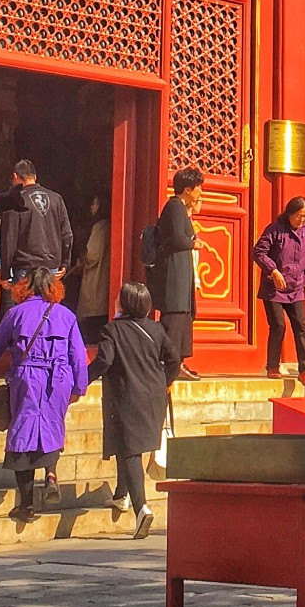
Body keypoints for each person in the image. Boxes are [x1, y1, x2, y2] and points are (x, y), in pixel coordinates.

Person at [0, 267, 89, 522]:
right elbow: (78, 355)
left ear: (25, 287)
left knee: (22, 434)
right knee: (53, 427)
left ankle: (27, 506)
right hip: (59, 379)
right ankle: (51, 475)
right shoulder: (66, 316)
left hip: (27, 378)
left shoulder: (15, 314)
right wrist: (79, 387)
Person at [90, 281, 176, 539]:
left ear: (125, 303)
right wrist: (166, 382)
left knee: (130, 451)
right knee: (128, 443)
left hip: (127, 396)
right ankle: (120, 494)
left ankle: (141, 508)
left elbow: (103, 361)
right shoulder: (157, 329)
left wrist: (80, 380)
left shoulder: (112, 330)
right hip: (153, 397)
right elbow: (173, 359)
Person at [253, 196, 305, 383]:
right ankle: (272, 365)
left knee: (302, 328)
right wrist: (272, 269)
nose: (302, 220)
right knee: (279, 326)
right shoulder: (274, 230)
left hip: (296, 288)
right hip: (275, 288)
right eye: (298, 216)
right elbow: (258, 252)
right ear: (289, 214)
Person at [151, 167, 202, 378]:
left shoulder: (181, 208)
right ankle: (170, 362)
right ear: (188, 190)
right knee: (174, 315)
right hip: (173, 272)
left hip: (182, 270)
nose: (200, 192)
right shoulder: (173, 207)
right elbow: (176, 238)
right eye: (198, 188)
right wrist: (194, 243)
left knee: (184, 314)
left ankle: (178, 361)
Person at [0, 160, 73, 284]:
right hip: (51, 266)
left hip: (25, 267)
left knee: (26, 302)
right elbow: (67, 234)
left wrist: (5, 273)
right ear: (35, 177)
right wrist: (65, 262)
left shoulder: (14, 201)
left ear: (15, 176)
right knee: (49, 302)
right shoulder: (56, 199)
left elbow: (8, 239)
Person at [73, 192, 111, 344]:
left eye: (94, 203)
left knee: (91, 323)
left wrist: (82, 258)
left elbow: (92, 255)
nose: (91, 207)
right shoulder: (110, 224)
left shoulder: (100, 226)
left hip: (97, 279)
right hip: (106, 278)